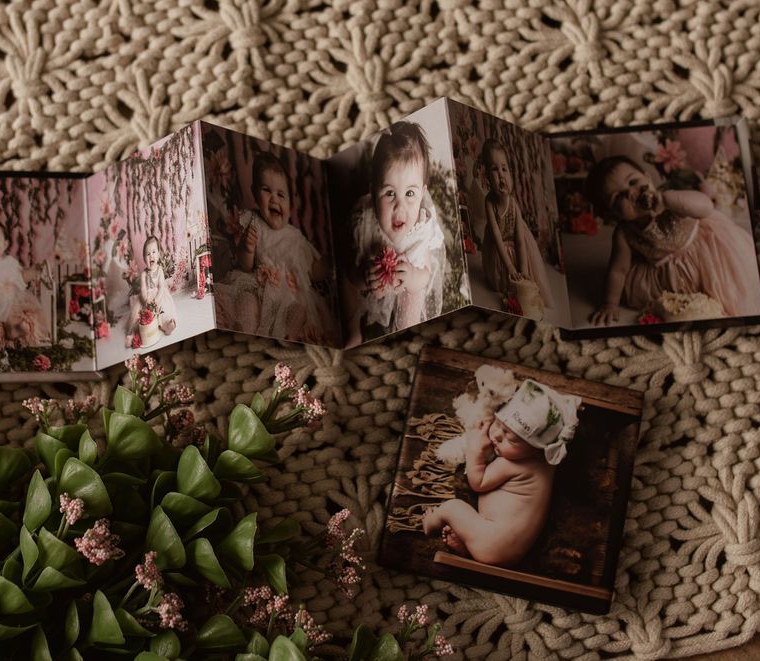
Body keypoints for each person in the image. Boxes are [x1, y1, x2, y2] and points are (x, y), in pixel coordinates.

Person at [585, 155, 760, 325]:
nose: (631, 193)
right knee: (683, 310)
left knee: (728, 288)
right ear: (612, 214)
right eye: (618, 197)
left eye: (633, 182)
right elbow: (618, 270)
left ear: (648, 178)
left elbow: (705, 206)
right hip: (668, 275)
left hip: (707, 254)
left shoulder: (671, 201)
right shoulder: (624, 232)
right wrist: (610, 303)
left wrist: (666, 199)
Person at [423, 379, 581, 567]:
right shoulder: (547, 464)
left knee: (453, 507)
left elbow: (477, 482)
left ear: (537, 450)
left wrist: (475, 448)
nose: (497, 435)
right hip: (510, 552)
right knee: (473, 527)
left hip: (492, 541)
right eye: (498, 424)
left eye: (511, 439)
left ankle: (431, 523)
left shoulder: (512, 464)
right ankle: (469, 548)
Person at [343, 121, 445, 346]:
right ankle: (353, 331)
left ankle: (407, 332)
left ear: (422, 194)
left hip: (408, 284)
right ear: (373, 192)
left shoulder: (419, 229)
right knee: (345, 279)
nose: (400, 207)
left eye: (410, 193)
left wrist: (411, 276)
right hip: (375, 288)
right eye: (390, 193)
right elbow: (353, 274)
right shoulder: (366, 221)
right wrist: (364, 276)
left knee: (414, 294)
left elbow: (426, 275)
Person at [216, 151, 331, 341]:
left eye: (281, 194)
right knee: (247, 304)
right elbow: (245, 265)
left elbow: (310, 270)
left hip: (288, 299)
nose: (274, 199)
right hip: (257, 290)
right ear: (254, 192)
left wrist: (328, 265)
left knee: (298, 312)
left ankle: (285, 338)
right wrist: (247, 248)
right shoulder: (252, 221)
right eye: (266, 190)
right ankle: (245, 333)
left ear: (290, 203)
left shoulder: (295, 237)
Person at [479, 139, 553, 308]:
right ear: (487, 176)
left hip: (517, 243)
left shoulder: (513, 203)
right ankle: (508, 279)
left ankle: (524, 276)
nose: (500, 175)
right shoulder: (489, 202)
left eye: (504, 169)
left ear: (510, 174)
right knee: (503, 284)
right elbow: (497, 238)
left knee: (528, 271)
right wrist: (511, 268)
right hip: (499, 248)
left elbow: (520, 241)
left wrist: (523, 270)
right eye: (494, 170)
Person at [125, 235, 177, 346]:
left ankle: (167, 325)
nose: (151, 256)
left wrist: (157, 300)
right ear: (144, 258)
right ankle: (132, 333)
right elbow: (143, 289)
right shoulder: (144, 274)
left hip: (159, 297)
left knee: (163, 310)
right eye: (148, 254)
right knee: (137, 315)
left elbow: (162, 287)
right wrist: (145, 299)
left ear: (158, 255)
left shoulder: (160, 271)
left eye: (154, 252)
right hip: (146, 299)